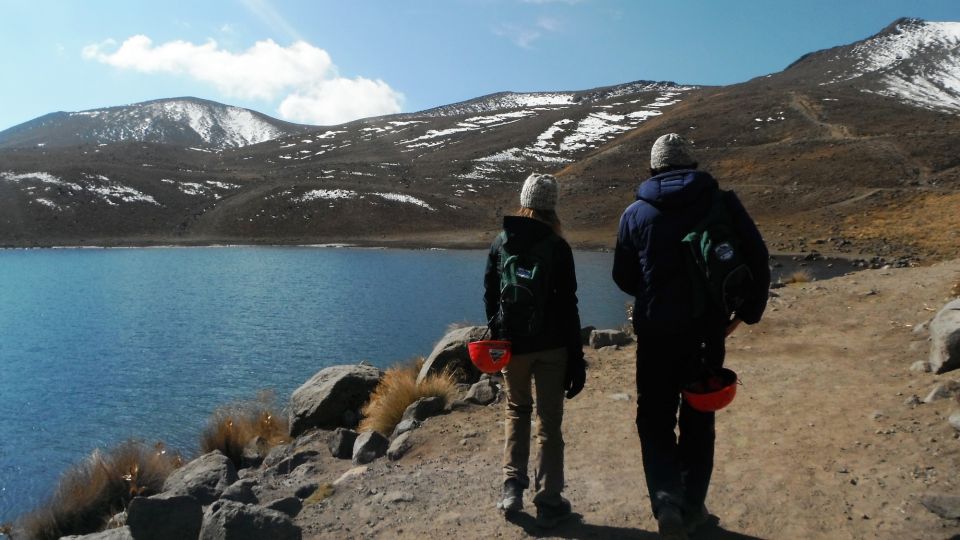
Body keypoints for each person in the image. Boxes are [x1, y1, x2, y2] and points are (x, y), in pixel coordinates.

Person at [612, 134, 770, 539]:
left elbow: (623, 276)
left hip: (656, 335)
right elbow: (757, 255)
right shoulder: (722, 202)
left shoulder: (635, 213)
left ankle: (667, 504)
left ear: (653, 168)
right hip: (707, 330)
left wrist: (652, 290)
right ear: (691, 164)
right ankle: (693, 506)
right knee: (699, 416)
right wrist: (745, 314)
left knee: (655, 419)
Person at [483, 172, 586, 528]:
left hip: (514, 347)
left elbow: (490, 295)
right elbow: (568, 306)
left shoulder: (502, 241)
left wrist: (499, 339)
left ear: (524, 201)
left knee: (516, 411)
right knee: (549, 424)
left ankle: (512, 487)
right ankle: (549, 499)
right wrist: (577, 358)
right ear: (551, 206)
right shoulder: (558, 247)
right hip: (553, 348)